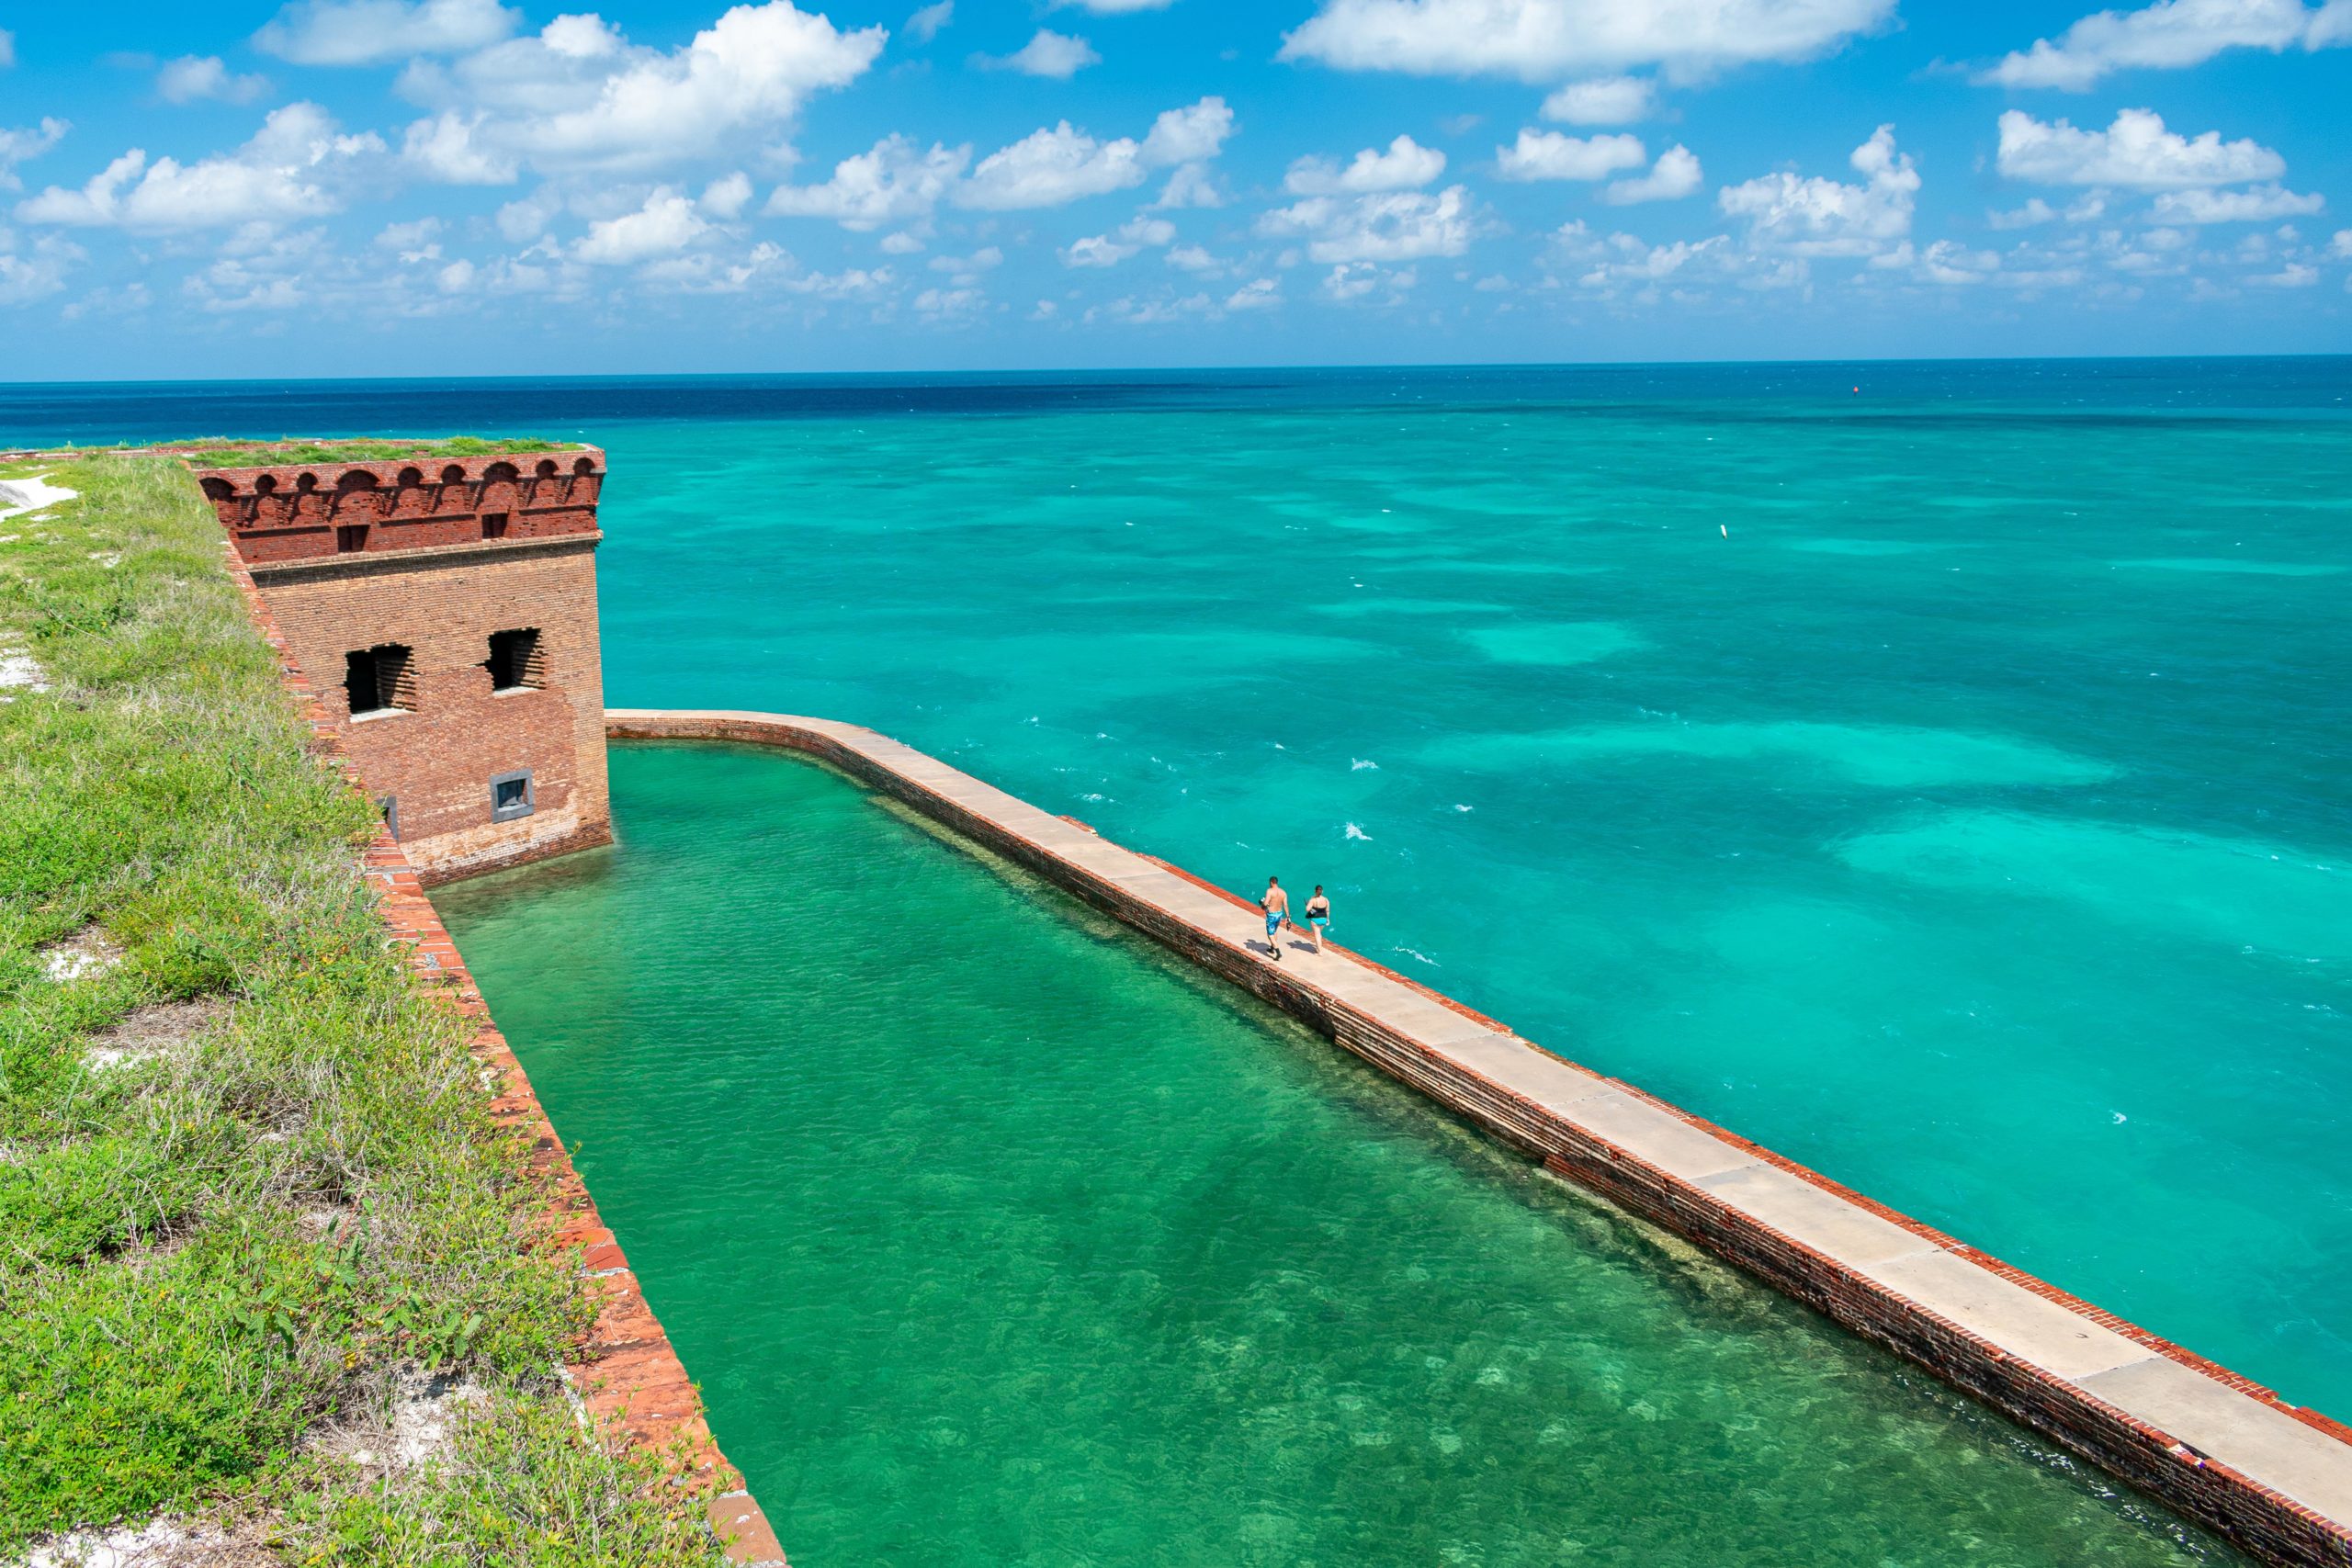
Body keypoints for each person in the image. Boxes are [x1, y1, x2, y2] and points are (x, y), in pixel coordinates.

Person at [1261, 875, 1289, 961]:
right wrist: (1288, 916)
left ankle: (1278, 952)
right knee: (1275, 931)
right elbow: (1285, 905)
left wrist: (1262, 905)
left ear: (1271, 882)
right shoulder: (1283, 892)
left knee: (1270, 934)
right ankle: (1272, 948)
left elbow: (1265, 903)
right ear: (1277, 882)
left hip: (1271, 915)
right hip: (1279, 914)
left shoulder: (1269, 891)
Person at [1303, 886, 1331, 953]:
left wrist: (1307, 905)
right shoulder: (1326, 899)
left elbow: (1307, 909)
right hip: (1323, 919)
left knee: (1317, 935)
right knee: (1319, 934)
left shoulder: (1313, 899)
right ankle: (1318, 947)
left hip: (1315, 920)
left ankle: (1320, 951)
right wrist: (1328, 919)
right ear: (1322, 891)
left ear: (1315, 891)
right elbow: (1327, 911)